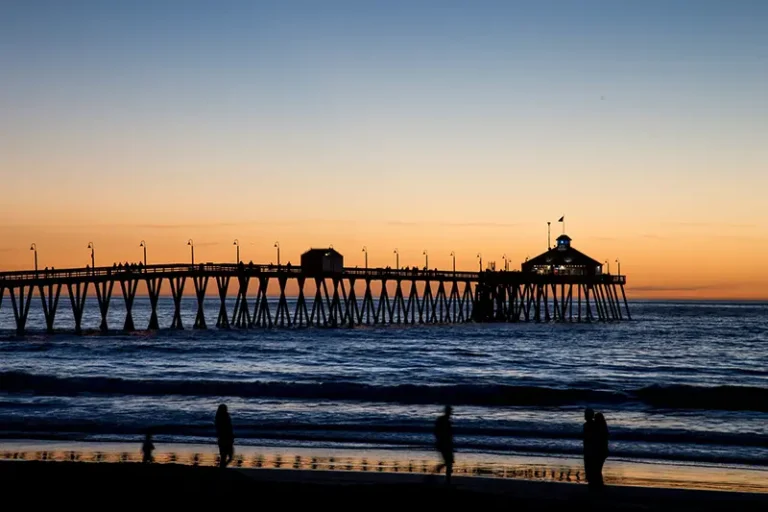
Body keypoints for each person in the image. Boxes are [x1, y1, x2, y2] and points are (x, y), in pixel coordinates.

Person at [434, 405, 454, 485]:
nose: (451, 413)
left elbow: (436, 431)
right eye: (450, 411)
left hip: (446, 443)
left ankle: (447, 479)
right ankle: (448, 480)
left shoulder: (443, 420)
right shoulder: (444, 420)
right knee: (449, 462)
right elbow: (437, 432)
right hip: (444, 443)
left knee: (449, 462)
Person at [215, 404, 234, 468]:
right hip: (226, 438)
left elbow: (219, 429)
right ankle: (223, 468)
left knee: (224, 456)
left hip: (222, 438)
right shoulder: (225, 416)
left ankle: (222, 467)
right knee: (228, 457)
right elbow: (229, 427)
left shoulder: (218, 417)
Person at [593, 412, 610, 487]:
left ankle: (599, 484)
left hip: (600, 451)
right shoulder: (603, 428)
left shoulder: (599, 429)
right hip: (603, 452)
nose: (594, 420)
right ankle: (600, 484)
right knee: (598, 469)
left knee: (597, 469)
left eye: (595, 418)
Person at [583, 408, 596, 486]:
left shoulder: (587, 425)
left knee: (589, 467)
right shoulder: (594, 425)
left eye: (585, 414)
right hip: (590, 448)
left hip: (590, 449)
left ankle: (591, 483)